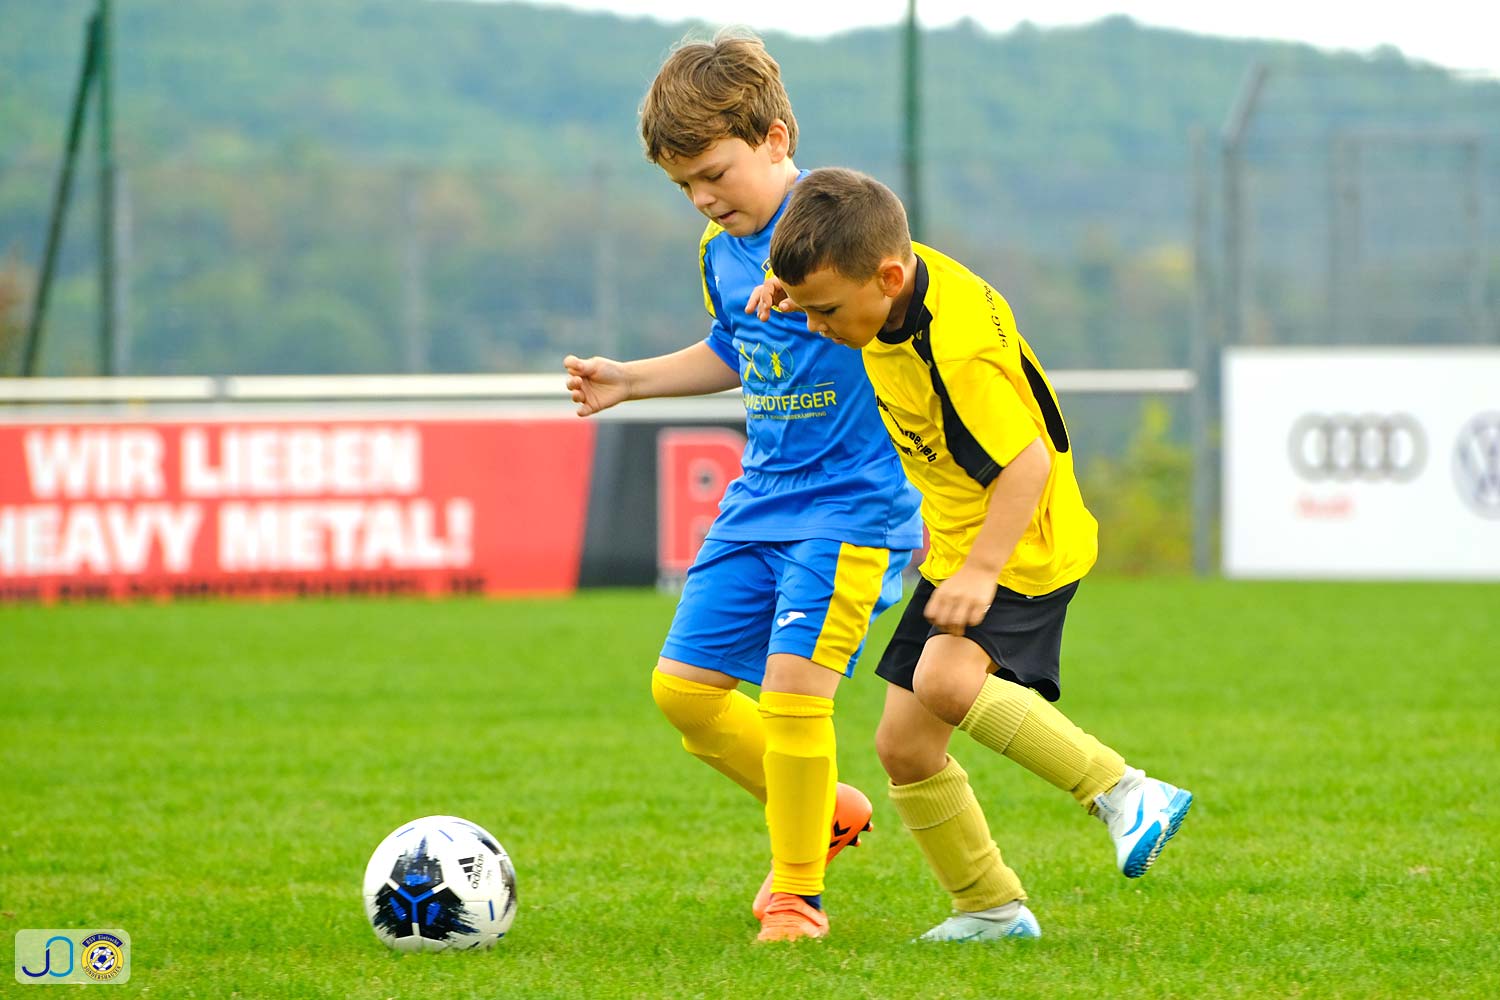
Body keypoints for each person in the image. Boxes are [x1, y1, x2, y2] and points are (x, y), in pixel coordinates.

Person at [755, 167, 1193, 943]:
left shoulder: (954, 351)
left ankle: (1126, 792)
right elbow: (847, 233)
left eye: (826, 310)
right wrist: (786, 286)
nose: (815, 326)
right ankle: (990, 908)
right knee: (904, 746)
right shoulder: (886, 268)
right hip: (963, 543)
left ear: (888, 280)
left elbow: (1025, 464)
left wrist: (983, 571)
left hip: (1020, 540)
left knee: (945, 680)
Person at [562, 36, 924, 943]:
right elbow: (734, 347)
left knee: (796, 692)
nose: (703, 198)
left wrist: (812, 296)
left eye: (714, 175)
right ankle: (824, 809)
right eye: (683, 185)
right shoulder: (718, 251)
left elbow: (907, 312)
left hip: (852, 506)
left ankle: (797, 896)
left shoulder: (843, 229)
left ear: (775, 138)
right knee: (684, 693)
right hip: (760, 500)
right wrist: (631, 381)